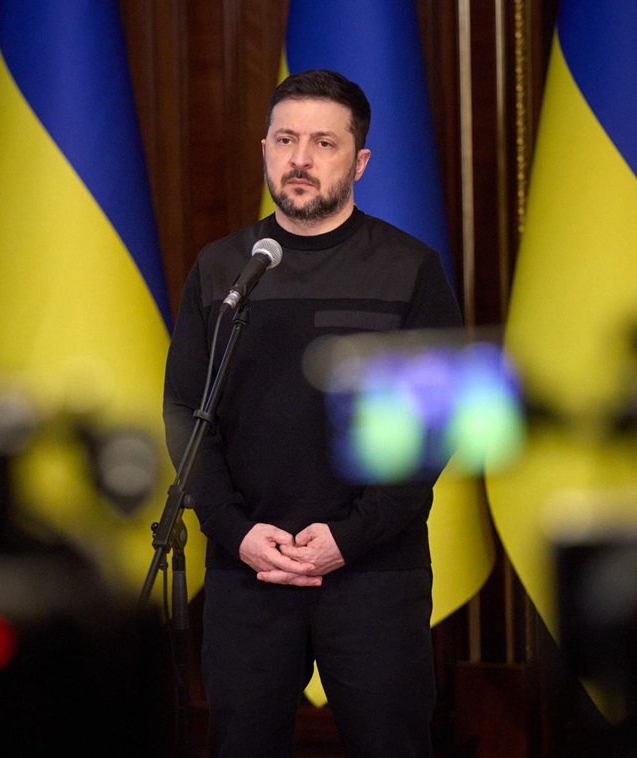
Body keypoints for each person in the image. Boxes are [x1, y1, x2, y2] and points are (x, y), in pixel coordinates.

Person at [163, 69, 462, 757]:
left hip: (374, 572)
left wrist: (350, 536)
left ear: (359, 162)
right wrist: (235, 531)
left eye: (324, 143)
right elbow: (185, 409)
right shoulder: (223, 270)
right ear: (264, 149)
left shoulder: (409, 269)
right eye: (285, 140)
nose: (300, 158)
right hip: (248, 568)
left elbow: (435, 425)